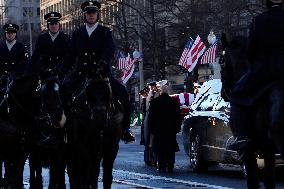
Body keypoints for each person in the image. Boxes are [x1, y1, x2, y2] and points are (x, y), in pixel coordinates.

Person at [229, 0, 284, 188]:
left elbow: (250, 51)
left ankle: (242, 137)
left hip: (267, 72)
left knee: (236, 96)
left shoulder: (259, 21)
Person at [66, 0, 134, 143]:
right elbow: (71, 55)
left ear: (98, 14)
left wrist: (102, 63)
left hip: (101, 73)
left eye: (93, 13)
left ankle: (125, 129)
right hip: (82, 73)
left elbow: (109, 50)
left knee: (122, 93)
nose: (91, 16)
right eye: (88, 13)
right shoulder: (78, 33)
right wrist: (61, 70)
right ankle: (64, 129)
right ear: (84, 15)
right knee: (62, 92)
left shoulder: (105, 32)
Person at [0, 22, 29, 187]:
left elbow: (25, 66)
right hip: (2, 83)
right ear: (5, 34)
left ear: (16, 34)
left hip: (17, 83)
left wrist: (17, 77)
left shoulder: (21, 48)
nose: (10, 35)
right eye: (8, 33)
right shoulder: (1, 47)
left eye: (12, 33)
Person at [26, 12, 71, 82]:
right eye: (51, 24)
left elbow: (69, 57)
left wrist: (62, 69)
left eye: (56, 24)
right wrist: (28, 71)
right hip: (44, 73)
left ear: (59, 25)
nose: (54, 26)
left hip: (61, 73)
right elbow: (35, 56)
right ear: (48, 25)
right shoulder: (42, 38)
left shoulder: (65, 38)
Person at [148, 83, 181, 173]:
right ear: (168, 91)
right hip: (171, 129)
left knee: (160, 148)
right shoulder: (174, 102)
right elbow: (178, 116)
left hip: (158, 129)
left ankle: (161, 164)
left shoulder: (155, 102)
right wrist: (177, 127)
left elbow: (151, 117)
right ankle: (170, 165)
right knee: (170, 148)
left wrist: (151, 129)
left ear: (160, 91)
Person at [143, 81, 159, 166]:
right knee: (149, 139)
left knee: (150, 139)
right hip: (150, 117)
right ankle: (150, 158)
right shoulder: (150, 95)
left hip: (151, 117)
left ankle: (151, 158)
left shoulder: (151, 95)